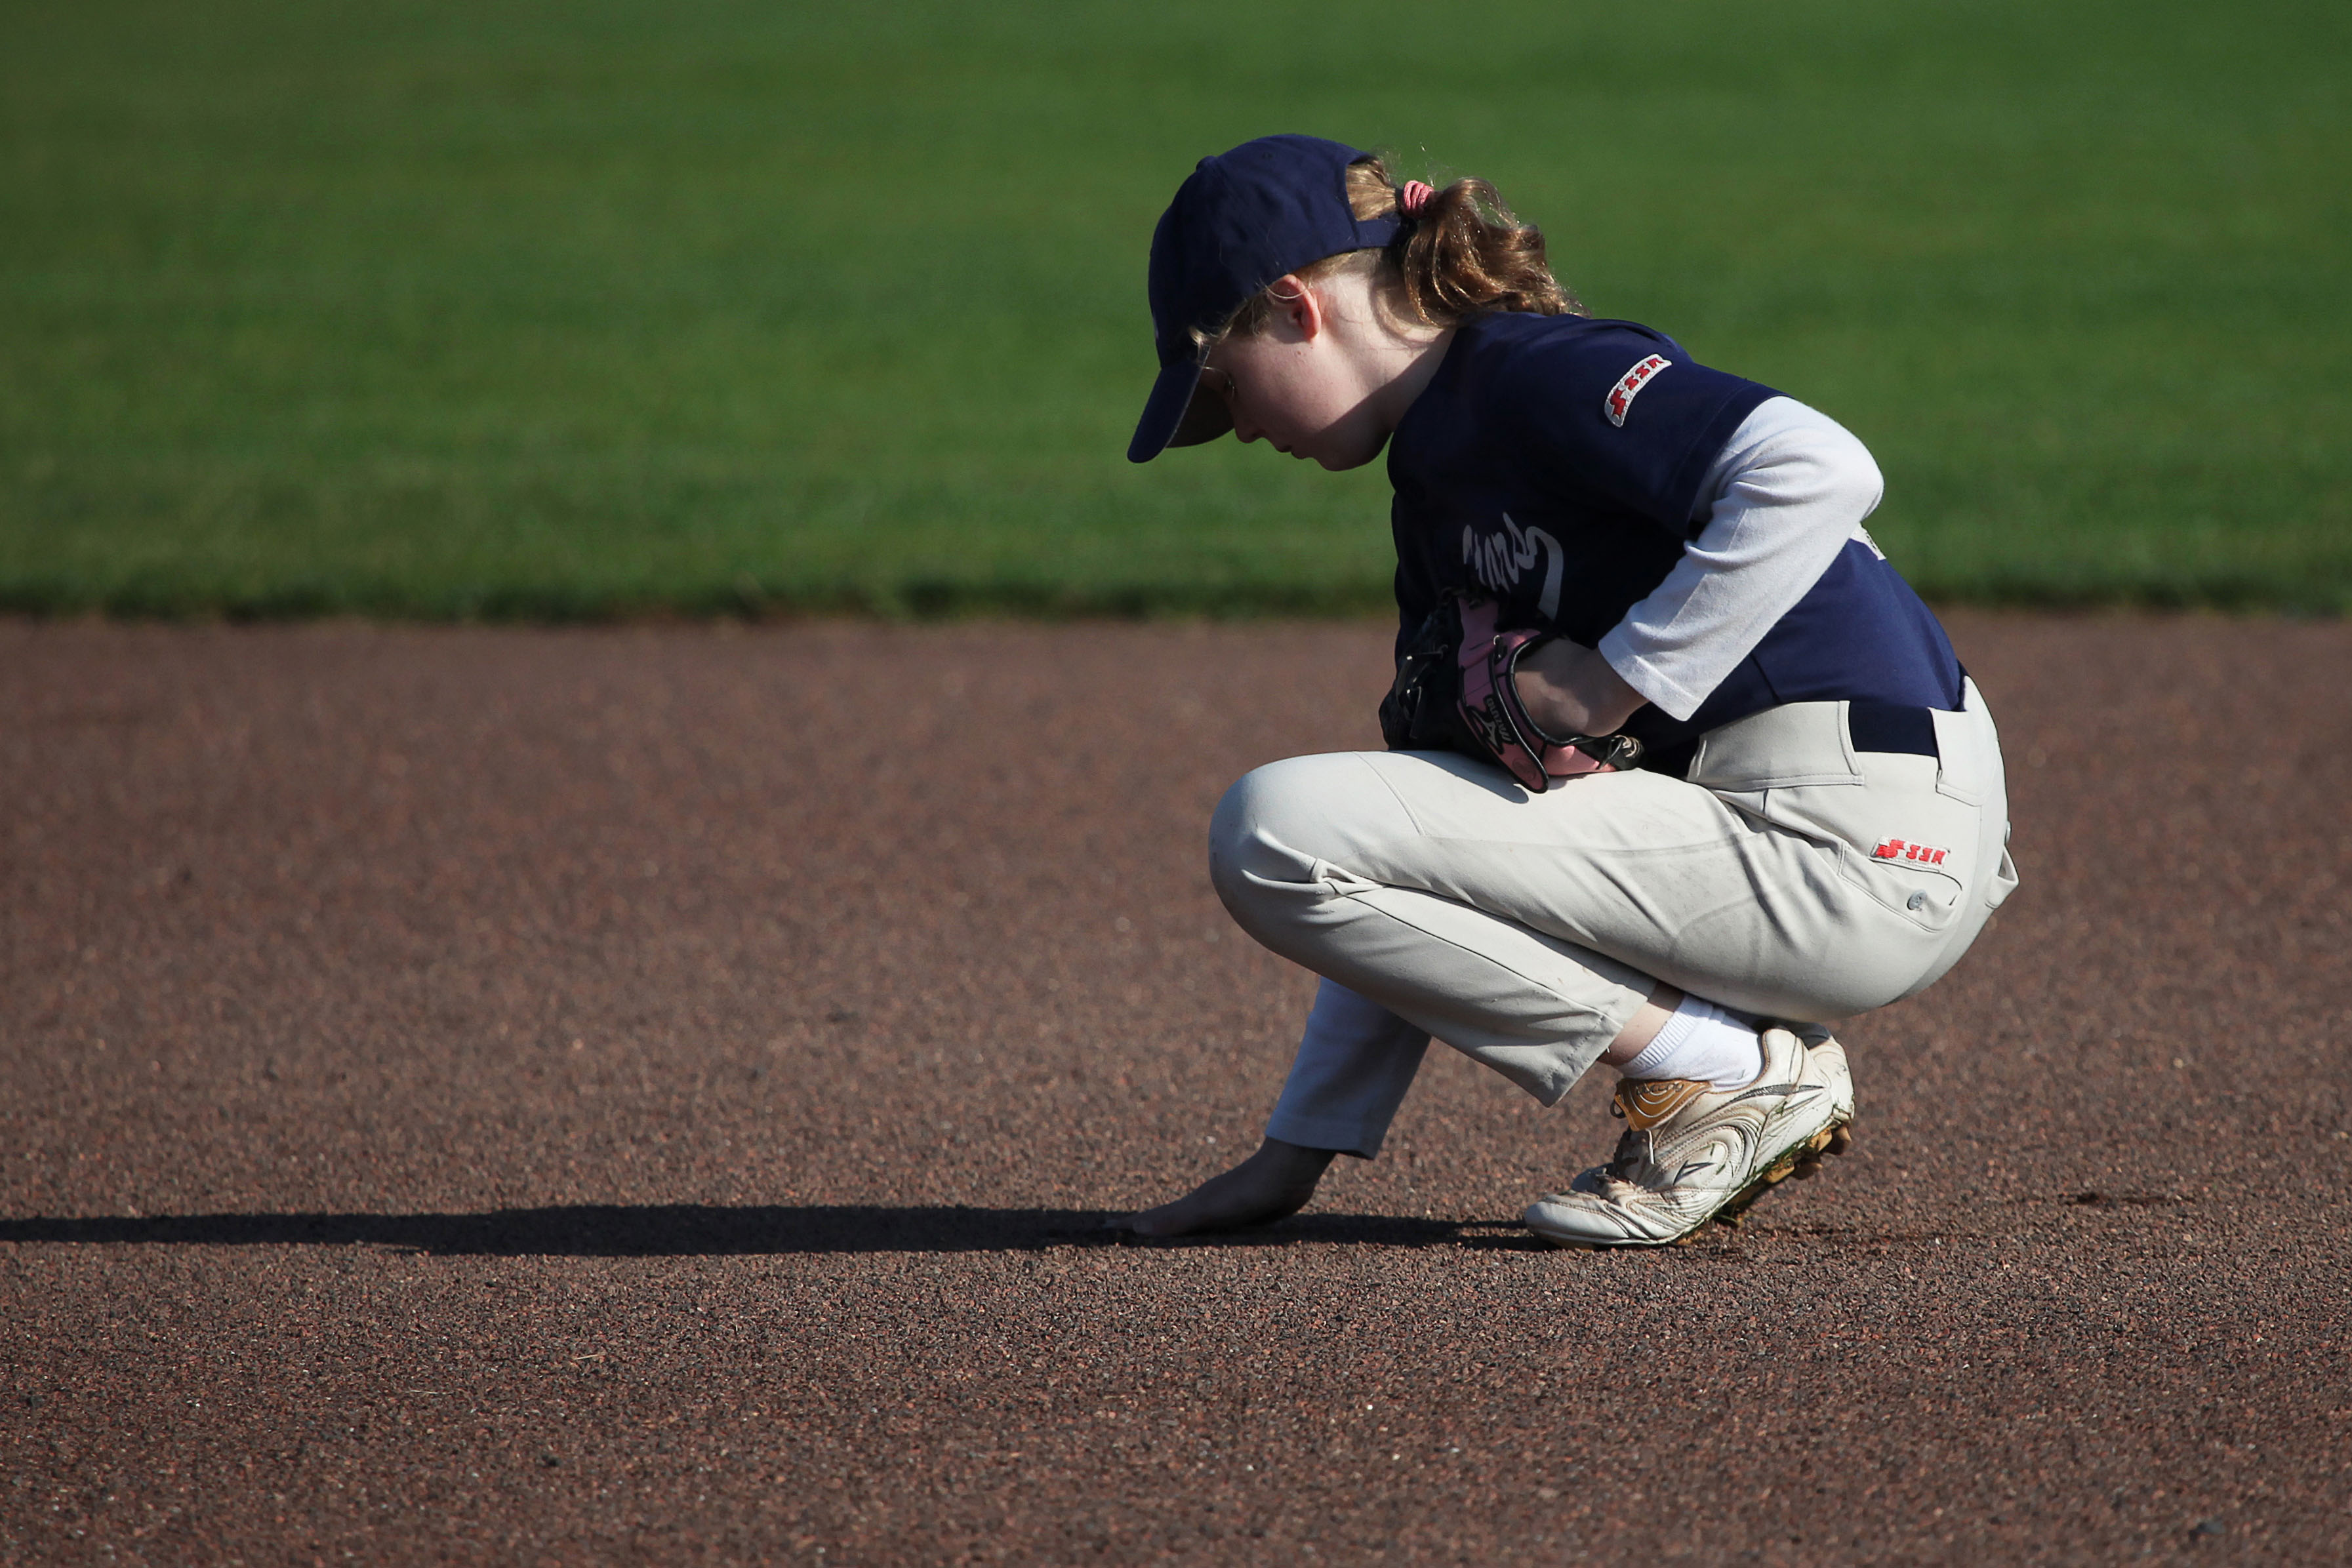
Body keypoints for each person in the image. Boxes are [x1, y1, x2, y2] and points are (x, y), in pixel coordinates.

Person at [1116, 134, 2018, 1247]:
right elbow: (1410, 828)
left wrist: (1612, 679)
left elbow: (1816, 467)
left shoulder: (1527, 369)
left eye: (1220, 385)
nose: (1236, 429)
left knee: (1262, 825)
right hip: (1811, 832)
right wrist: (1297, 1153)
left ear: (1298, 309)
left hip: (1852, 833)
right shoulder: (1439, 479)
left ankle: (1723, 1073)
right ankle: (1720, 1066)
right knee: (1332, 815)